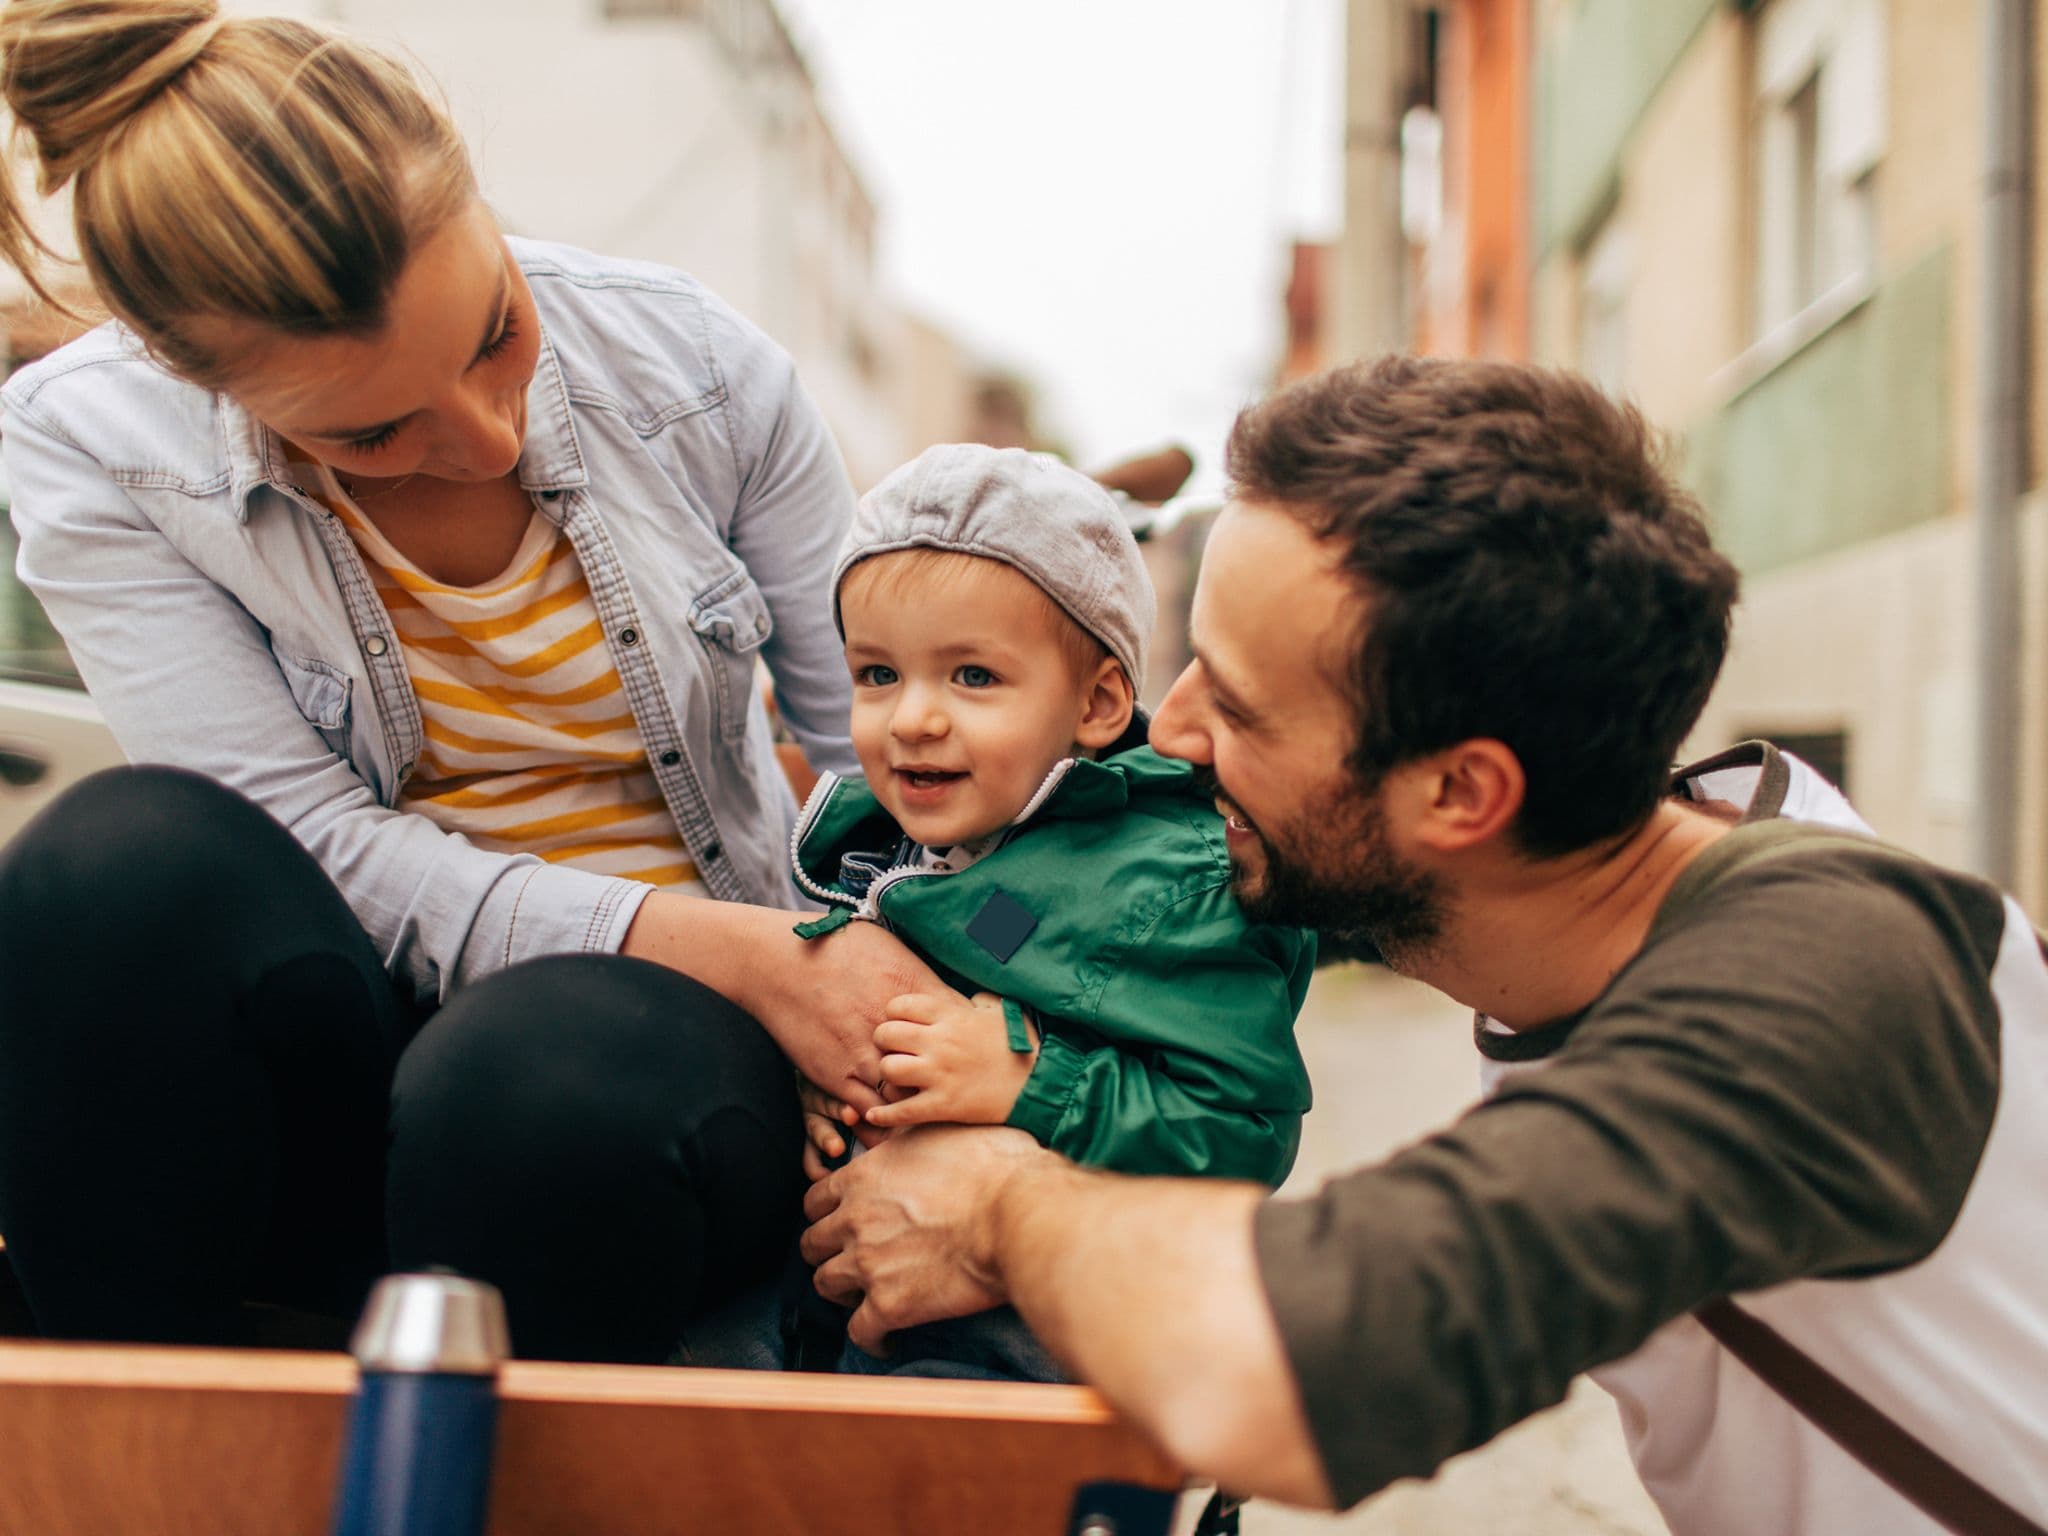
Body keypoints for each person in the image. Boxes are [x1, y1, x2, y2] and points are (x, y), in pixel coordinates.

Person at [802, 359, 2048, 1531]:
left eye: (1230, 702)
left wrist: (997, 1201)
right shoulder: (1638, 912)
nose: (1167, 733)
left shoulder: (1817, 982)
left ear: (1457, 795)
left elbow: (1296, 1362)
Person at [0, 0, 943, 1361]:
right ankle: (142, 1464)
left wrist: (872, 1010)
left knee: (522, 1077)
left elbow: (890, 760)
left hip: (646, 1082)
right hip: (370, 1054)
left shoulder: (700, 370)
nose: (489, 434)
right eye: (376, 430)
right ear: (195, 380)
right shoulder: (92, 443)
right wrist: (714, 944)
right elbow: (305, 836)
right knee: (112, 864)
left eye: (495, 330)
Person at [786, 443, 1314, 1378]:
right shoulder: (902, 845)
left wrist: (1030, 1078)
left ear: (1099, 702)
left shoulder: (1161, 886)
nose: (912, 718)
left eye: (972, 677)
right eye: (877, 675)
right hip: (865, 1272)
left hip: (1042, 1321)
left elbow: (1243, 1131)